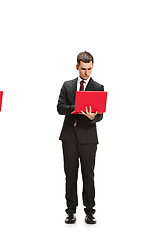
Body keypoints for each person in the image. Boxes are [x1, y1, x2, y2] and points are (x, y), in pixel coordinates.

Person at [57, 51, 104, 224]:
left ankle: (90, 211)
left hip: (88, 137)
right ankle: (70, 211)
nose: (86, 72)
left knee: (88, 175)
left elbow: (100, 115)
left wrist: (93, 117)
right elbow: (60, 107)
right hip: (69, 136)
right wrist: (75, 108)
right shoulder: (68, 85)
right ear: (77, 67)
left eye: (89, 69)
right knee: (70, 175)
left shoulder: (98, 87)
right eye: (83, 69)